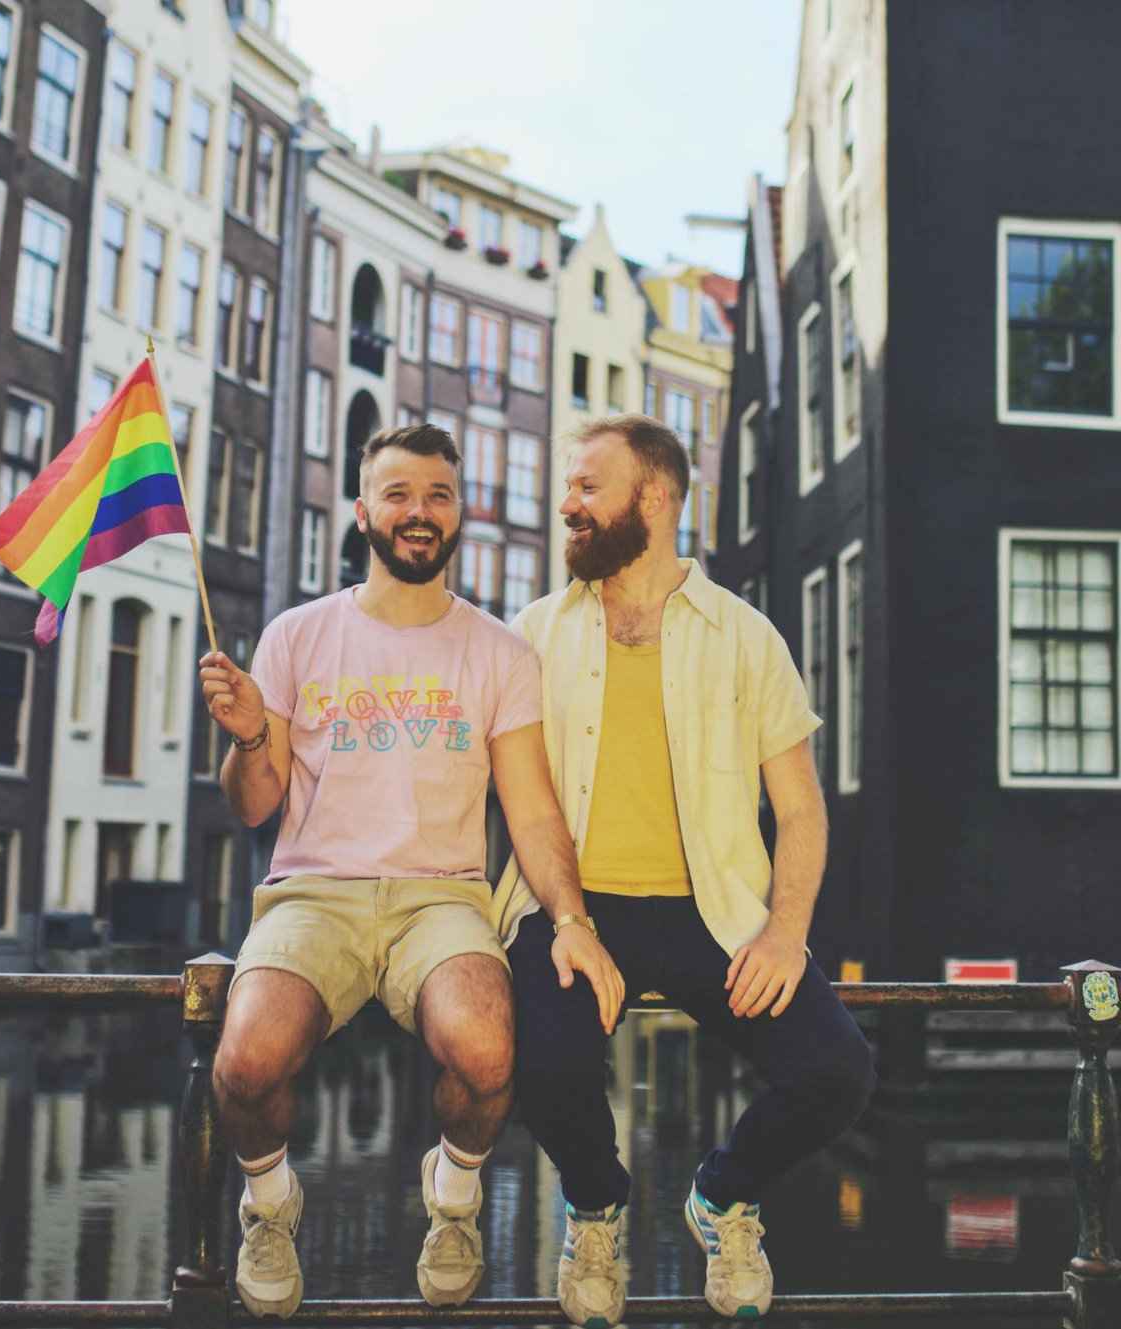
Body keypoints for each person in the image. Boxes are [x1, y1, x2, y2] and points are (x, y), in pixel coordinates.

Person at [198, 424, 624, 1319]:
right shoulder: (297, 635)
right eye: (398, 494)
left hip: (443, 897)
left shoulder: (500, 651)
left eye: (437, 495)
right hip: (312, 893)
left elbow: (534, 810)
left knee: (487, 1047)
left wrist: (574, 918)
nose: (418, 512)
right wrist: (245, 737)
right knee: (244, 1059)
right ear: (364, 513)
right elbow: (251, 803)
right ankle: (269, 1207)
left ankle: (456, 1196)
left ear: (459, 513)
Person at [491, 415, 876, 1326]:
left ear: (654, 498)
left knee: (839, 1068)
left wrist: (786, 933)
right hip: (571, 903)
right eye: (569, 487)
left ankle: (724, 1196)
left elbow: (804, 809)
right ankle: (594, 1208)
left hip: (714, 910)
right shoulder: (531, 635)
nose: (566, 504)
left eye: (588, 485)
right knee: (537, 1056)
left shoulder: (748, 639)